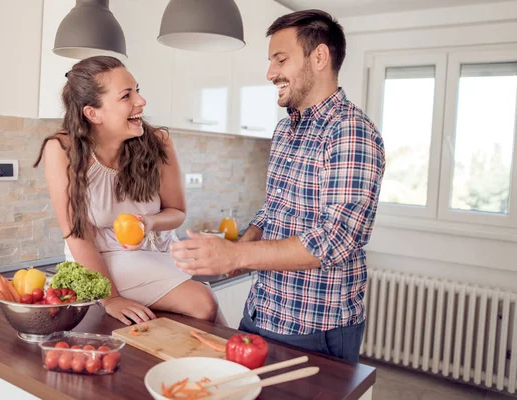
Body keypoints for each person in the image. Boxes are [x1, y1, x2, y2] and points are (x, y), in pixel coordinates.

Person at [171, 10, 386, 362]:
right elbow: (273, 208)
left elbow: (335, 240)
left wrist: (237, 254)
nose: (271, 74)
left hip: (316, 328)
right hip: (260, 313)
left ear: (319, 57)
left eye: (280, 60)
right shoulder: (285, 130)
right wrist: (244, 246)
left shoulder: (351, 131)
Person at [34, 55, 222, 326]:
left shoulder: (158, 142)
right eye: (126, 96)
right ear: (93, 113)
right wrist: (110, 298)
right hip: (100, 258)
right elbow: (77, 234)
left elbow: (177, 212)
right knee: (203, 302)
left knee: (210, 305)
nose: (141, 101)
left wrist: (150, 222)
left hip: (161, 249)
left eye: (137, 90)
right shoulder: (64, 150)